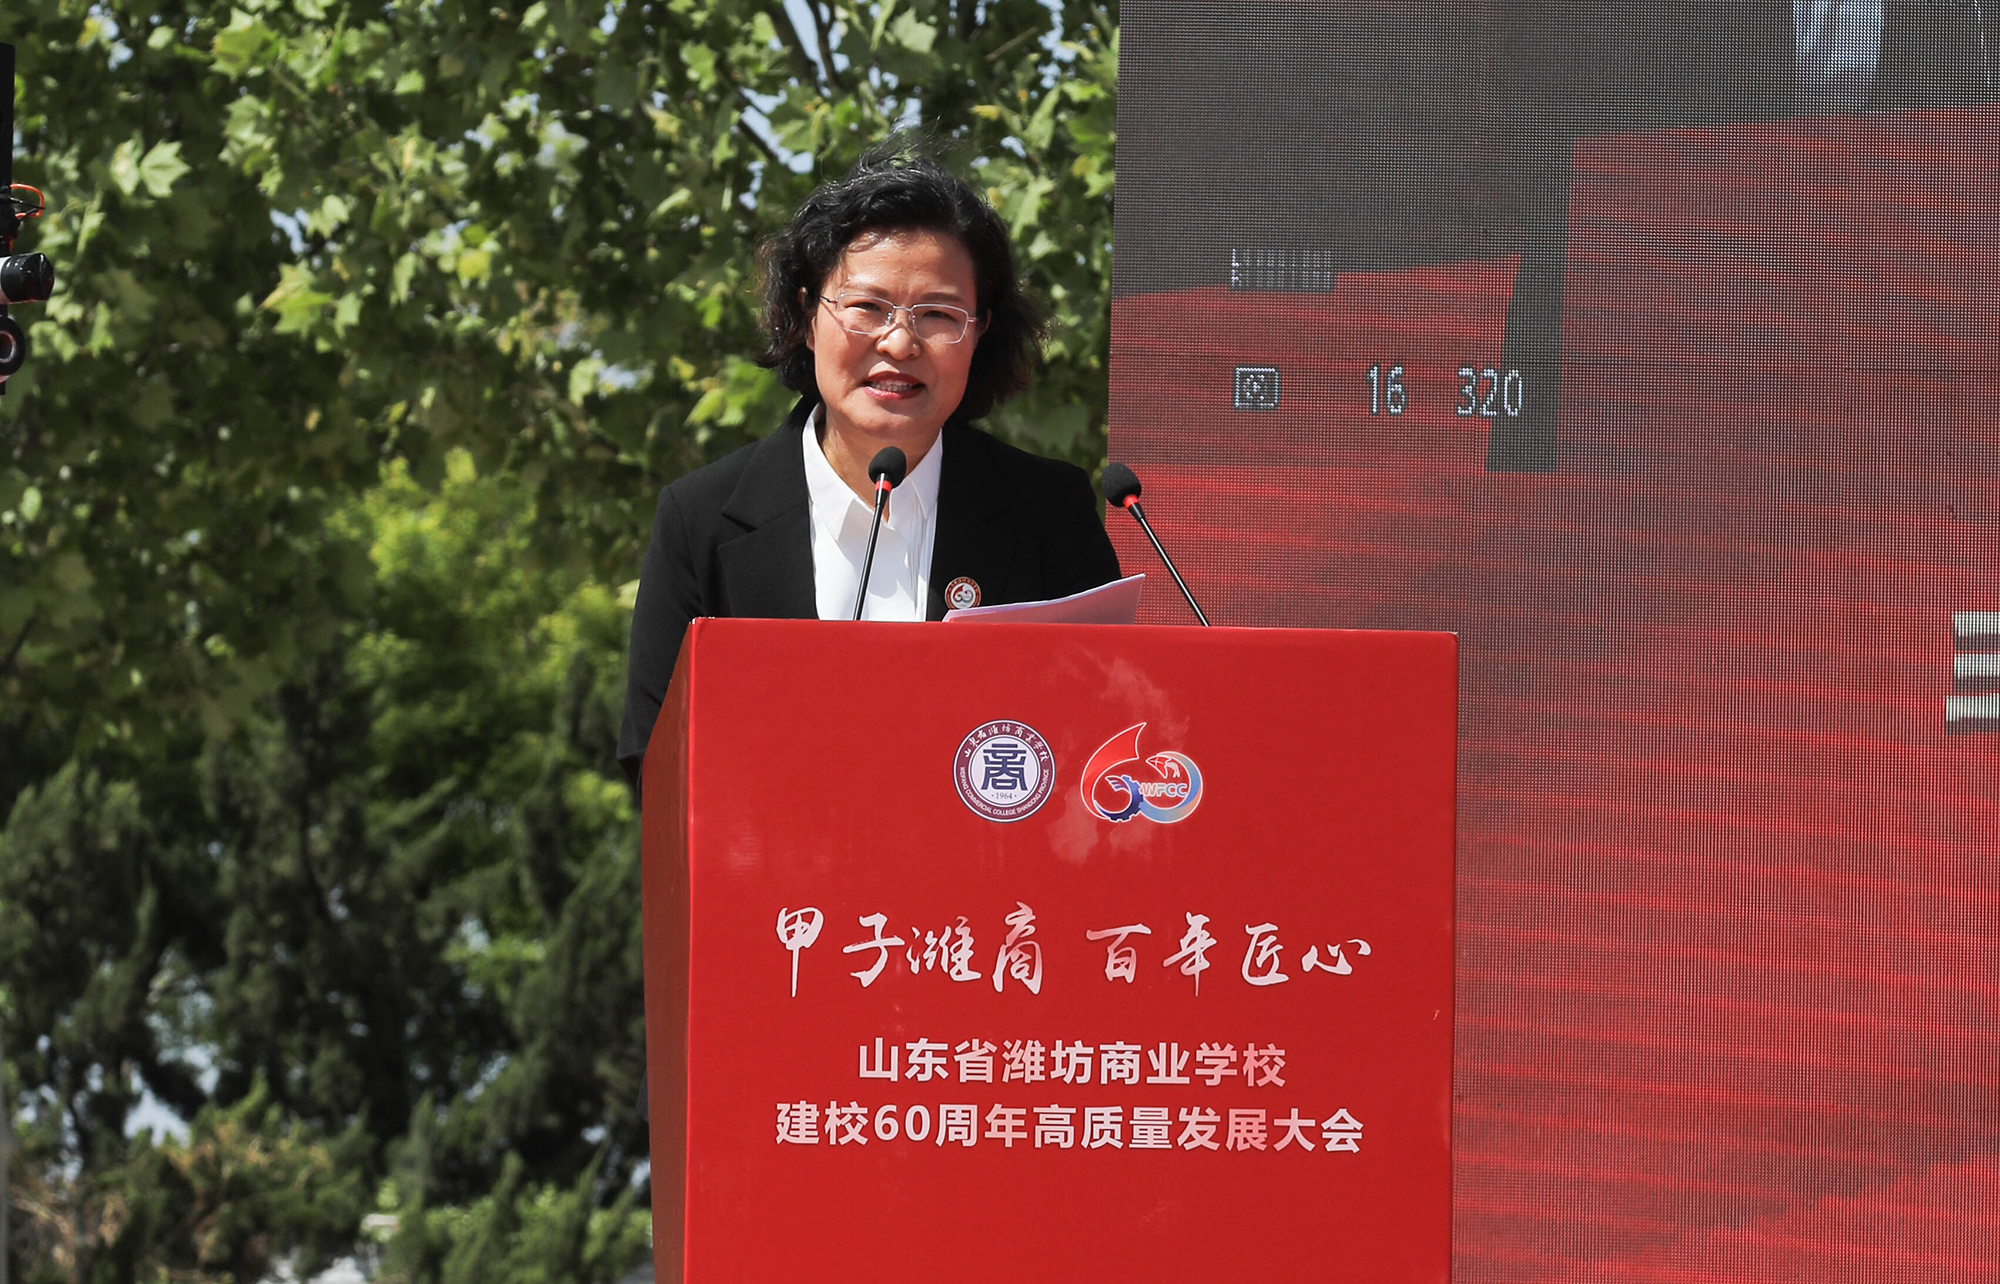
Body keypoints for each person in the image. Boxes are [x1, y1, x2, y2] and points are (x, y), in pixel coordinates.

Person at [616, 144, 1122, 785]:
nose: (900, 342)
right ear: (807, 317)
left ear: (980, 333)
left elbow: (1102, 736)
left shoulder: (1045, 511)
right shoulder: (701, 520)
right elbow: (658, 764)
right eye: (867, 308)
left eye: (938, 314)